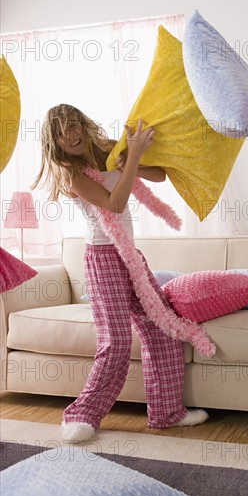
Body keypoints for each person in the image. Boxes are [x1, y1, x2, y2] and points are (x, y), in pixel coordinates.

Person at [33, 104, 208, 442]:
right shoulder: (72, 174)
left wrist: (134, 157)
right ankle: (81, 414)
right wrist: (131, 161)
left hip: (130, 255)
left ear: (82, 125)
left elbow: (158, 175)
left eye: (72, 126)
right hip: (102, 258)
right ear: (53, 140)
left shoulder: (108, 150)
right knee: (115, 342)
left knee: (162, 328)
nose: (68, 135)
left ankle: (167, 413)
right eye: (60, 132)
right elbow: (114, 203)